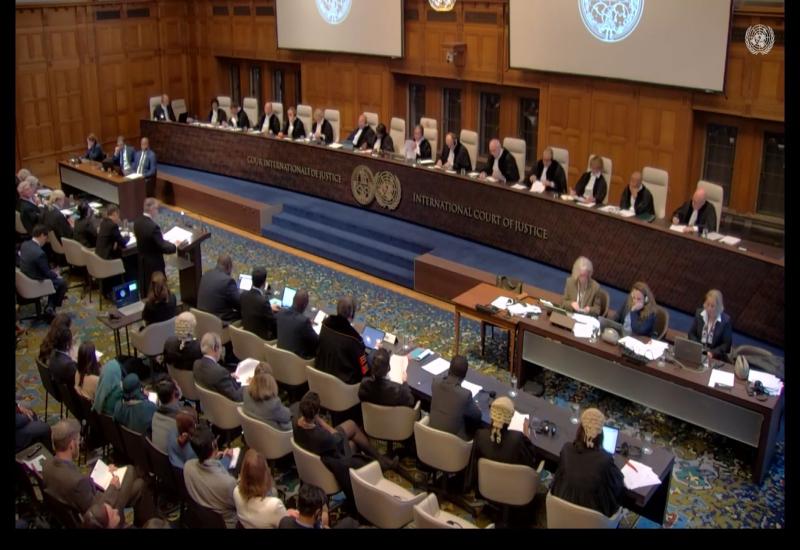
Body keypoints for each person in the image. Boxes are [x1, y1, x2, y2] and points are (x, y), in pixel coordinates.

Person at [293, 392, 396, 503]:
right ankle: (378, 462)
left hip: (315, 452)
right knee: (353, 443)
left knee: (351, 426)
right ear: (317, 412)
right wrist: (321, 421)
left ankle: (380, 461)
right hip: (330, 461)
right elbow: (336, 437)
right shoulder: (322, 436)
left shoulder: (295, 422)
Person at [42, 419, 148, 525]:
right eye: (78, 440)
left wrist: (103, 472)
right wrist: (112, 486)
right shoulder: (77, 483)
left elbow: (79, 482)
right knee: (130, 470)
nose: (79, 444)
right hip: (104, 515)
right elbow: (97, 513)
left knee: (139, 485)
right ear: (72, 445)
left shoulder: (46, 465)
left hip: (80, 504)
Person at [550, 408, 624, 517]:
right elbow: (618, 486)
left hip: (561, 512)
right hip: (592, 520)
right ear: (601, 435)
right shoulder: (605, 459)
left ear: (579, 429)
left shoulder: (566, 449)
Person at [183, 424, 238, 528]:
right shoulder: (229, 483)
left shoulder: (188, 467)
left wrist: (217, 459)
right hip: (228, 523)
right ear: (214, 445)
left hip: (203, 518)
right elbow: (238, 506)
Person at [234, 449, 297, 528]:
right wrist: (287, 513)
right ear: (264, 475)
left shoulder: (236, 492)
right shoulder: (274, 505)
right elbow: (286, 524)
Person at [316, 296, 368, 385]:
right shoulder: (355, 339)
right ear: (352, 314)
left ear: (337, 309)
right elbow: (364, 370)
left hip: (319, 376)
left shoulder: (325, 324)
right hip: (342, 386)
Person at [472, 396, 537, 468]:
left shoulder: (480, 435)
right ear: (510, 419)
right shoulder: (517, 439)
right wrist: (526, 433)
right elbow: (530, 460)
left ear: (491, 415)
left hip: (486, 474)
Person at [18, 224, 67, 316]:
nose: (46, 240)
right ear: (41, 235)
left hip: (25, 277)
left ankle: (50, 305)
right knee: (61, 283)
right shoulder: (40, 253)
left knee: (55, 279)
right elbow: (47, 273)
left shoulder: (25, 244)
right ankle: (51, 307)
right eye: (46, 237)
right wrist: (56, 274)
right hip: (35, 281)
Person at [429, 355, 481, 441]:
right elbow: (477, 416)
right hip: (453, 443)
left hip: (430, 435)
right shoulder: (465, 395)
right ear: (464, 375)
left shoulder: (435, 382)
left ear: (449, 369)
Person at [133, 198, 178, 296]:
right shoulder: (153, 227)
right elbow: (162, 246)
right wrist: (174, 246)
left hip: (142, 260)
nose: (157, 211)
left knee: (146, 285)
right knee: (157, 288)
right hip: (154, 263)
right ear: (152, 209)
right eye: (157, 208)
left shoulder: (137, 222)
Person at [193, 332, 243, 402]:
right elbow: (237, 398)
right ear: (216, 348)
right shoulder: (220, 372)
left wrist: (229, 376)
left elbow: (214, 378)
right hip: (226, 405)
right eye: (221, 347)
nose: (221, 350)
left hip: (208, 403)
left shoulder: (196, 364)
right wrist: (248, 385)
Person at [242, 363, 291, 431]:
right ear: (271, 380)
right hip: (276, 434)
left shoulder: (245, 391)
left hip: (252, 432)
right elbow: (287, 417)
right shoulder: (274, 404)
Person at [688, 289, 733, 361]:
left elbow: (726, 345)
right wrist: (698, 347)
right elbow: (691, 334)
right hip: (698, 352)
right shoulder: (699, 313)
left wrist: (713, 353)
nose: (709, 308)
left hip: (715, 357)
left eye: (712, 306)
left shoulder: (726, 321)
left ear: (718, 307)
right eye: (707, 304)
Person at [276, 289, 319, 360]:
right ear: (305, 305)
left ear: (293, 300)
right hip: (296, 361)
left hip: (279, 355)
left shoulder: (281, 312)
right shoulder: (304, 322)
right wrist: (309, 326)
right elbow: (316, 341)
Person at [197, 254, 241, 323]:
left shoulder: (206, 274)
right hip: (219, 321)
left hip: (202, 318)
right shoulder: (228, 281)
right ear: (229, 266)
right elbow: (239, 304)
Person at [239, 266, 275, 339]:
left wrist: (269, 307)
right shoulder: (264, 302)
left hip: (245, 334)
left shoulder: (243, 295)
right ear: (264, 283)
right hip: (260, 339)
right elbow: (272, 322)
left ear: (252, 280)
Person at [150, 378, 181, 453]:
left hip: (158, 457)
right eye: (177, 385)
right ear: (174, 393)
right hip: (174, 458)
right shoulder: (181, 421)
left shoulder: (154, 415)